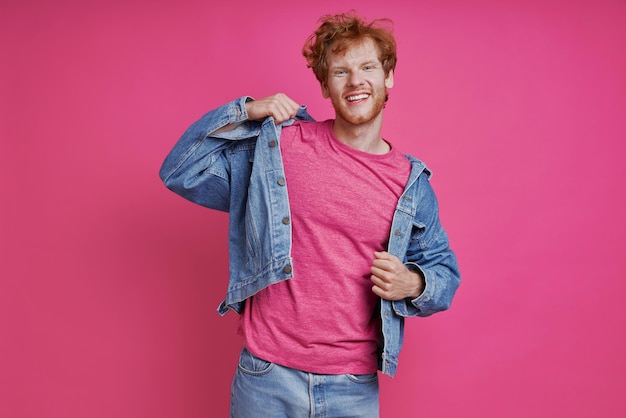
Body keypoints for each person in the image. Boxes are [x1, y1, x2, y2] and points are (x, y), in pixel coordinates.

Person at [160, 11, 460, 418]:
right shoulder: (280, 146)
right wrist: (245, 111)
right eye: (340, 72)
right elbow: (179, 171)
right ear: (325, 85)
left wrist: (413, 281)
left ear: (387, 78)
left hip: (352, 387)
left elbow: (444, 272)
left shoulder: (411, 183)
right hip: (266, 377)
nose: (355, 81)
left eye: (367, 67)